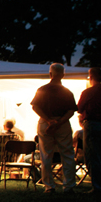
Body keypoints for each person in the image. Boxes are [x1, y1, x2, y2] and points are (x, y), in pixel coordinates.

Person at [31, 63, 78, 194]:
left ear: (50, 74)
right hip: (62, 124)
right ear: (63, 75)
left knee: (46, 155)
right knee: (67, 154)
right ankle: (69, 185)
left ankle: (49, 186)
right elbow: (71, 111)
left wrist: (48, 120)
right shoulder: (67, 92)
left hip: (45, 123)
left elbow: (35, 107)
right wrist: (59, 122)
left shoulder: (42, 90)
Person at [76, 67, 101, 193]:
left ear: (90, 77)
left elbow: (79, 108)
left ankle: (97, 186)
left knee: (92, 156)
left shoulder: (88, 92)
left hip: (91, 124)